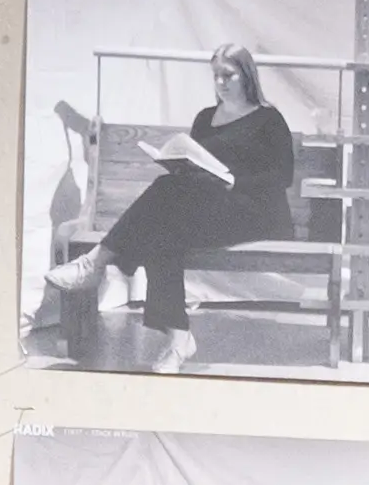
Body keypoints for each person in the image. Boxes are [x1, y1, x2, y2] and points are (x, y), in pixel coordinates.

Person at [37, 45, 298, 371]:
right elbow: (196, 167)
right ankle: (178, 338)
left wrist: (235, 181)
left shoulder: (268, 119)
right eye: (216, 76)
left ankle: (96, 262)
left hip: (253, 214)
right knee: (163, 232)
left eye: (228, 75)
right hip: (212, 209)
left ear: (246, 75)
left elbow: (283, 176)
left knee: (162, 203)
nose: (221, 82)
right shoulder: (205, 118)